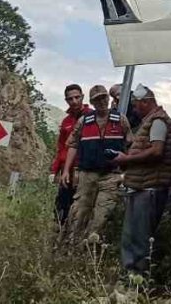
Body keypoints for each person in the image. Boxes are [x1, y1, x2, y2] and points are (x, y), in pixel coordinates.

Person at [113, 84, 171, 279]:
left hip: (149, 189)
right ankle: (131, 276)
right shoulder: (150, 121)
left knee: (139, 237)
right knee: (131, 236)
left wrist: (126, 159)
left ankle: (138, 280)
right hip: (142, 187)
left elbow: (157, 151)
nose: (134, 109)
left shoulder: (157, 121)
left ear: (146, 102)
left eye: (136, 105)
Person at [61, 85, 128, 242]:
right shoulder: (84, 121)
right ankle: (72, 246)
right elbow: (72, 144)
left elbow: (130, 144)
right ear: (92, 102)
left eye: (103, 97)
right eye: (97, 99)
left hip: (111, 176)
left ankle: (89, 249)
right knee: (79, 213)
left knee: (101, 216)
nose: (101, 102)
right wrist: (66, 171)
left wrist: (127, 166)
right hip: (87, 175)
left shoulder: (120, 120)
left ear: (108, 98)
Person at [49, 84, 89, 227]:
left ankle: (74, 242)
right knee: (61, 208)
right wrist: (54, 170)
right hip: (66, 172)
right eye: (70, 99)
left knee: (79, 210)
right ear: (66, 101)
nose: (74, 101)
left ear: (82, 97)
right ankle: (58, 239)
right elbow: (61, 147)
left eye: (77, 97)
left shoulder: (91, 117)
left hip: (83, 171)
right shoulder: (66, 121)